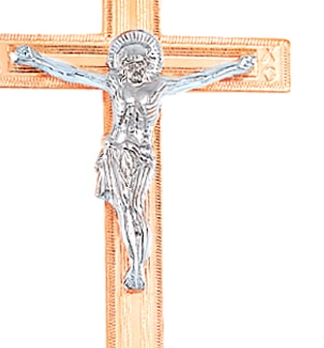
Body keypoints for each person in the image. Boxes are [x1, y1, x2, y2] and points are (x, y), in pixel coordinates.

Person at [13, 30, 255, 291]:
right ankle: (136, 266)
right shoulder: (116, 84)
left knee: (133, 208)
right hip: (116, 153)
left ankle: (138, 266)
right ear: (121, 65)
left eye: (140, 62)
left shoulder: (159, 86)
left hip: (140, 156)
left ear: (149, 64)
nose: (135, 68)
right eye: (129, 63)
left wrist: (235, 67)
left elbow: (200, 77)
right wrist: (36, 60)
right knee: (125, 208)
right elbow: (73, 73)